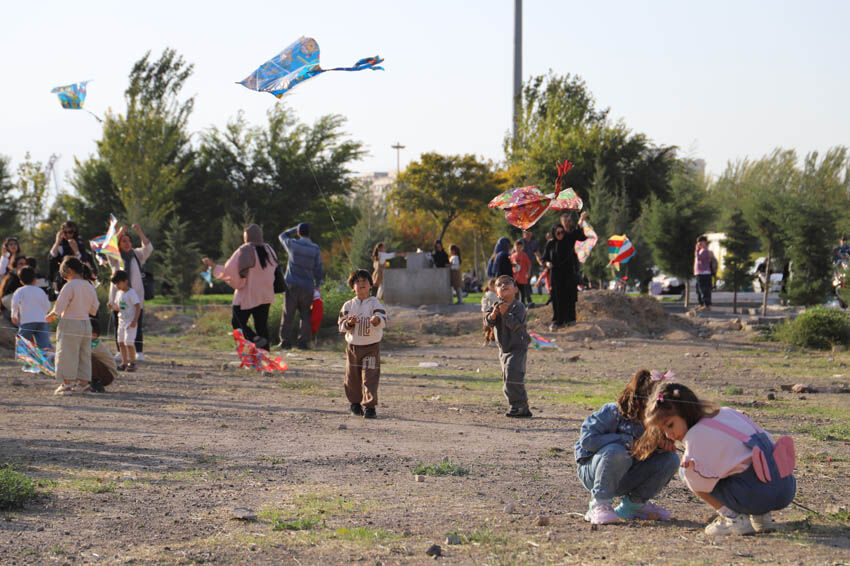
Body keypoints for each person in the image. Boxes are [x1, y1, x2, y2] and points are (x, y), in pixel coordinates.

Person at [636, 382, 796, 536]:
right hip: (785, 487)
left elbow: (700, 481)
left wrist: (690, 462)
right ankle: (762, 517)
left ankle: (733, 519)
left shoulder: (695, 435)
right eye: (663, 431)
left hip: (755, 495)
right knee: (746, 464)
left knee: (687, 472)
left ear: (686, 411)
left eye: (670, 425)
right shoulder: (727, 412)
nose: (669, 435)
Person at [575, 369, 679, 525]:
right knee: (617, 451)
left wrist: (661, 447)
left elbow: (649, 454)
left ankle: (633, 506)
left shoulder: (657, 423)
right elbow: (588, 440)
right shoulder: (612, 412)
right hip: (596, 472)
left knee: (670, 459)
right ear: (639, 402)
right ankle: (599, 504)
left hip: (628, 475)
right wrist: (628, 441)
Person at [204, 224, 277, 350]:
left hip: (247, 295)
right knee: (262, 327)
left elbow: (229, 272)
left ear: (246, 237)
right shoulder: (269, 250)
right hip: (265, 294)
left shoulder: (245, 249)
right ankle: (265, 359)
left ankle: (254, 339)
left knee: (237, 323)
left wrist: (214, 266)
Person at [46, 257, 99, 396]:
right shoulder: (89, 285)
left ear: (68, 271)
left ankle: (67, 385)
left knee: (67, 354)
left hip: (70, 323)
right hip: (86, 324)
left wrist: (51, 315)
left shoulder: (69, 286)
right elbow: (94, 309)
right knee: (84, 354)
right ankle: (84, 384)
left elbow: (59, 307)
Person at [338, 269, 387, 419]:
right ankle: (354, 404)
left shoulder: (375, 302)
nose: (361, 284)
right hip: (353, 347)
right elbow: (341, 325)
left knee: (370, 376)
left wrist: (376, 320)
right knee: (352, 377)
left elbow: (382, 317)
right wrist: (349, 323)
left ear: (370, 285)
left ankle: (370, 407)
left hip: (371, 347)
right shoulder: (348, 305)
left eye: (364, 281)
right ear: (353, 287)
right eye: (357, 282)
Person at [485, 275, 532, 418]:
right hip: (503, 348)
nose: (503, 285)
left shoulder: (519, 307)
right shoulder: (496, 306)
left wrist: (505, 314)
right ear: (496, 292)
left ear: (516, 289)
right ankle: (517, 405)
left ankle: (519, 405)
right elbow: (488, 322)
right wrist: (493, 315)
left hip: (518, 346)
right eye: (499, 284)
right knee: (507, 378)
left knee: (514, 374)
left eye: (507, 283)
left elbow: (516, 325)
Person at [107, 224, 153, 359]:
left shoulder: (137, 254)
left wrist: (139, 231)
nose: (127, 244)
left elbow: (148, 247)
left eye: (128, 241)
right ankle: (120, 351)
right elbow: (109, 246)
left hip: (135, 295)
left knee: (136, 322)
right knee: (119, 323)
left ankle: (138, 352)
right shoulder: (114, 257)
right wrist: (120, 232)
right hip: (118, 296)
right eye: (123, 241)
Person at [278, 222, 324, 350]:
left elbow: (282, 236)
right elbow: (318, 268)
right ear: (310, 233)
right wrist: (318, 284)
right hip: (308, 286)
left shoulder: (293, 244)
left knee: (288, 314)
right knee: (305, 315)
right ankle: (303, 342)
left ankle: (285, 341)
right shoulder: (315, 248)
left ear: (298, 233)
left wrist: (295, 228)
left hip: (292, 284)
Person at [541, 212, 587, 329]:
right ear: (554, 233)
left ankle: (570, 319)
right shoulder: (550, 244)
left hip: (569, 273)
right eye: (558, 232)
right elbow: (544, 258)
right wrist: (547, 263)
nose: (560, 234)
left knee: (569, 296)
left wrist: (581, 218)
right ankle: (557, 321)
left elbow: (577, 231)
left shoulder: (569, 239)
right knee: (557, 298)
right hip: (556, 275)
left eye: (562, 232)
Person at [11, 266, 52, 351]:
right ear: (35, 279)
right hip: (41, 321)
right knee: (44, 345)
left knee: (23, 344)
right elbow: (47, 306)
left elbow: (15, 303)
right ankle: (46, 361)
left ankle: (26, 363)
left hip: (27, 321)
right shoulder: (40, 291)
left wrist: (14, 315)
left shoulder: (19, 291)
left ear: (21, 282)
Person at [48, 221, 94, 295]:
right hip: (62, 279)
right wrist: (57, 241)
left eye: (70, 232)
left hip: (78, 279)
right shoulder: (60, 244)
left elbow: (85, 262)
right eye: (65, 232)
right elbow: (52, 257)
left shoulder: (79, 244)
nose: (67, 235)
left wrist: (76, 251)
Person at [109, 270, 141, 372]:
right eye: (115, 284)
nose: (116, 285)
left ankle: (133, 363)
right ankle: (124, 363)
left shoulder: (131, 293)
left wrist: (135, 320)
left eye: (118, 283)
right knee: (121, 342)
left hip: (130, 322)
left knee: (129, 343)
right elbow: (120, 308)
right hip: (121, 321)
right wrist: (113, 307)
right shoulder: (118, 294)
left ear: (125, 281)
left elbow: (138, 306)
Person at [90, 318, 117, 393]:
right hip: (104, 372)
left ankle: (96, 382)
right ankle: (89, 381)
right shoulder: (91, 342)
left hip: (108, 375)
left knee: (87, 357)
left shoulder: (95, 344)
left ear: (94, 335)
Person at [694, 235, 717, 311]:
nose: (699, 244)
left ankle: (707, 305)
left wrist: (697, 250)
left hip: (704, 273)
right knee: (699, 290)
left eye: (701, 242)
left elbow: (699, 259)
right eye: (698, 242)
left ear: (705, 243)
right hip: (699, 273)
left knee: (704, 289)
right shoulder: (701, 251)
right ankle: (702, 304)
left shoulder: (706, 251)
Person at [511, 239, 532, 306]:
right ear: (514, 247)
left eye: (520, 247)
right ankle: (516, 305)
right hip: (515, 277)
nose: (518, 249)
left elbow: (529, 264)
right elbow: (510, 264)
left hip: (522, 277)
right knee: (515, 292)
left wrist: (528, 272)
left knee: (522, 292)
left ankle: (522, 305)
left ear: (522, 247)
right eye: (517, 247)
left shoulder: (524, 255)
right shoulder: (512, 256)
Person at [480, 278, 498, 346]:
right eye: (495, 286)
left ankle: (487, 340)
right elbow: (497, 302)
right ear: (490, 286)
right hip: (490, 312)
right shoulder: (492, 294)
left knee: (487, 327)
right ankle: (491, 340)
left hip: (485, 312)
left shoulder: (486, 294)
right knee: (492, 327)